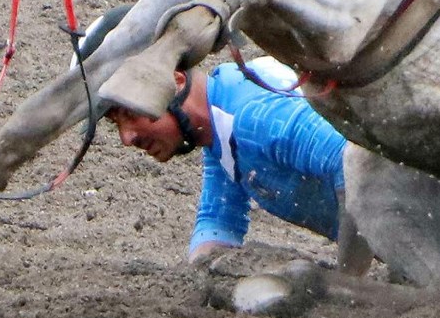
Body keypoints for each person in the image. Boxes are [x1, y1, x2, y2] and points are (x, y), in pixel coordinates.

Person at [105, 56, 353, 266]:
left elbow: (355, 162)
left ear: (175, 82)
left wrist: (350, 279)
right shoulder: (219, 121)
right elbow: (218, 220)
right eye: (115, 123)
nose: (127, 138)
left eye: (131, 112)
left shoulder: (252, 120)